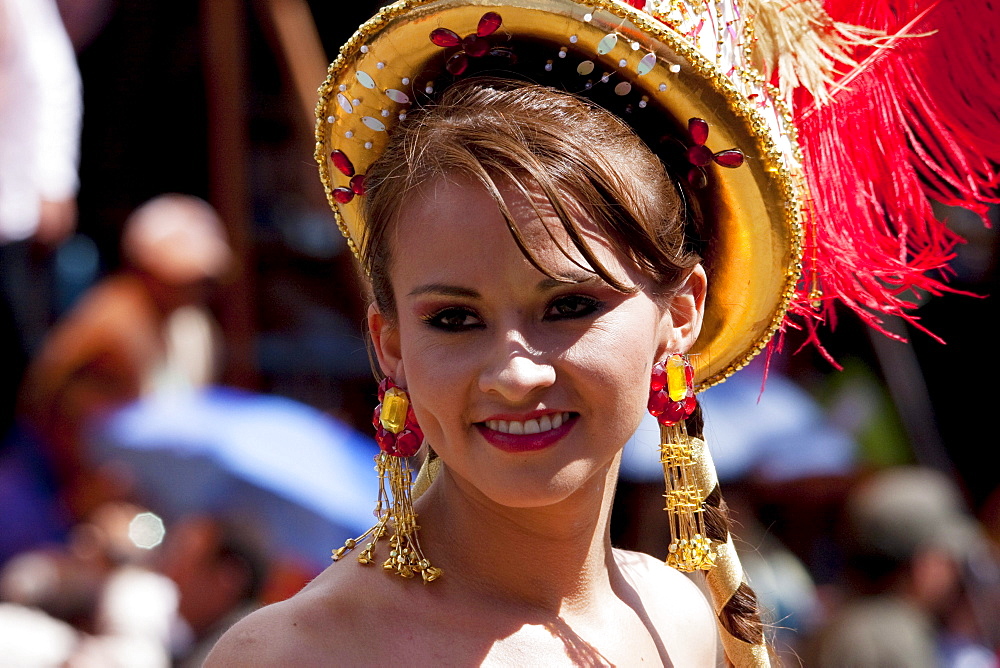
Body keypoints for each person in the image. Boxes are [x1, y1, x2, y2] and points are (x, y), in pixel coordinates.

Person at [208, 0, 999, 665]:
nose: (514, 373)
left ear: (679, 313)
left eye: (568, 306)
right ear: (389, 344)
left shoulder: (679, 622)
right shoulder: (298, 655)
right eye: (453, 318)